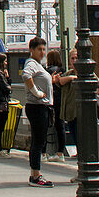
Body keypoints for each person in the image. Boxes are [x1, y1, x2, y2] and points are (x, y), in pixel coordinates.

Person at [22, 36, 54, 187]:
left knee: (38, 140)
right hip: (37, 106)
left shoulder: (38, 65)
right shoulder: (31, 63)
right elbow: (26, 75)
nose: (42, 52)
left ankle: (34, 173)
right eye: (39, 49)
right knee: (39, 141)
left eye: (43, 49)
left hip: (40, 106)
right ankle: (36, 175)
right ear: (31, 50)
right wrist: (37, 93)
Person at [46, 49, 66, 159]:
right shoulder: (62, 70)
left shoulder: (47, 71)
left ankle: (44, 153)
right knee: (60, 126)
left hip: (50, 100)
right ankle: (60, 152)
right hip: (60, 100)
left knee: (45, 125)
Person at [58, 47, 79, 145]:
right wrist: (71, 77)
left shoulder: (88, 73)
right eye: (72, 58)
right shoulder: (68, 74)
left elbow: (98, 87)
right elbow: (60, 81)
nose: (74, 61)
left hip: (81, 113)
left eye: (76, 58)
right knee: (74, 133)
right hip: (70, 113)